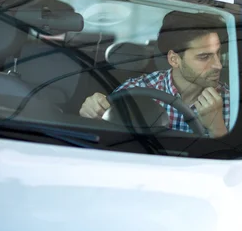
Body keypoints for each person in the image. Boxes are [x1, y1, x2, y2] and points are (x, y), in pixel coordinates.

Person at [79, 11, 230, 138]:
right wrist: (91, 113)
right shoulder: (137, 90)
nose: (218, 65)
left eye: (218, 53)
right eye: (204, 57)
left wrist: (217, 128)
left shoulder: (231, 102)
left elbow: (236, 165)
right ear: (174, 59)